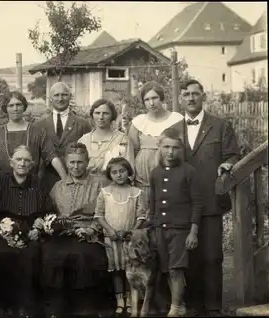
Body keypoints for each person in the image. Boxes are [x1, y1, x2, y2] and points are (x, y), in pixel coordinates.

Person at [170, 79, 239, 316]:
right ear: (181, 98)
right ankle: (192, 306)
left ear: (203, 96)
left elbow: (233, 155)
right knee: (187, 257)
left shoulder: (220, 126)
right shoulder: (172, 131)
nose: (191, 98)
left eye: (195, 94)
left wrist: (227, 165)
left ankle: (213, 307)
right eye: (186, 94)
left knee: (211, 256)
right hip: (182, 204)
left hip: (210, 201)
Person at [0, 145, 54, 318]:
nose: (22, 163)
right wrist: (4, 232)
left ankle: (27, 307)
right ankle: (1, 307)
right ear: (11, 162)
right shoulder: (0, 182)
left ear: (32, 164)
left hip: (29, 232)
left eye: (27, 160)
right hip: (2, 231)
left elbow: (48, 212)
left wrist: (39, 228)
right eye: (19, 159)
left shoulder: (38, 183)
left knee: (32, 255)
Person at [42, 143, 109, 318]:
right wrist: (53, 225)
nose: (75, 166)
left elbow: (106, 213)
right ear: (66, 162)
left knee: (83, 256)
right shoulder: (59, 186)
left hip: (88, 234)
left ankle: (84, 308)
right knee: (52, 254)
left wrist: (91, 229)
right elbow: (50, 212)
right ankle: (57, 307)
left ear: (87, 162)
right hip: (63, 234)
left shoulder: (98, 184)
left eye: (80, 162)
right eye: (71, 162)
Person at [147, 127, 203, 317]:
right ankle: (179, 304)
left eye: (175, 148)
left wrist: (193, 231)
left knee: (176, 269)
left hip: (180, 230)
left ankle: (175, 308)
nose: (170, 152)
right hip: (160, 229)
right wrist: (153, 227)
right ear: (160, 148)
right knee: (167, 269)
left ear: (182, 150)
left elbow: (197, 203)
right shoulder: (155, 173)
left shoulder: (189, 171)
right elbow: (152, 202)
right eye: (166, 147)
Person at [0, 91, 66, 180]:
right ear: (5, 108)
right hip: (2, 187)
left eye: (18, 104)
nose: (15, 109)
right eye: (11, 105)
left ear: (24, 106)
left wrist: (66, 180)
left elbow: (52, 156)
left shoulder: (37, 132)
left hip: (30, 186)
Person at [94, 157, 147, 315]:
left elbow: (141, 216)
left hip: (130, 240)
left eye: (122, 171)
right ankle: (120, 300)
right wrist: (109, 231)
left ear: (128, 172)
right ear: (110, 174)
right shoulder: (105, 193)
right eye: (114, 172)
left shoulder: (136, 192)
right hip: (112, 239)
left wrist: (132, 232)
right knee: (117, 270)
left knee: (130, 270)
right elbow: (99, 215)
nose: (118, 175)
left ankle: (131, 299)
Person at [126, 81, 184, 210]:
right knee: (145, 213)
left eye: (154, 98)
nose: (151, 103)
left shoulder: (177, 119)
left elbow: (182, 149)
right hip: (143, 180)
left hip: (171, 176)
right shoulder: (138, 122)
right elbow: (132, 151)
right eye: (147, 100)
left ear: (161, 98)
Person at [33, 82, 92, 191]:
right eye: (56, 95)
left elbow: (89, 154)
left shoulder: (83, 124)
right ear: (50, 98)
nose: (60, 99)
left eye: (64, 95)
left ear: (70, 96)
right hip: (45, 181)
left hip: (75, 180)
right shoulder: (39, 125)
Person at [78, 98, 131, 181]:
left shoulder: (122, 139)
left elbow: (130, 169)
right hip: (87, 186)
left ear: (112, 116)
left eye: (105, 113)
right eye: (97, 113)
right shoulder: (83, 140)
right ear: (92, 115)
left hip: (113, 187)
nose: (101, 117)